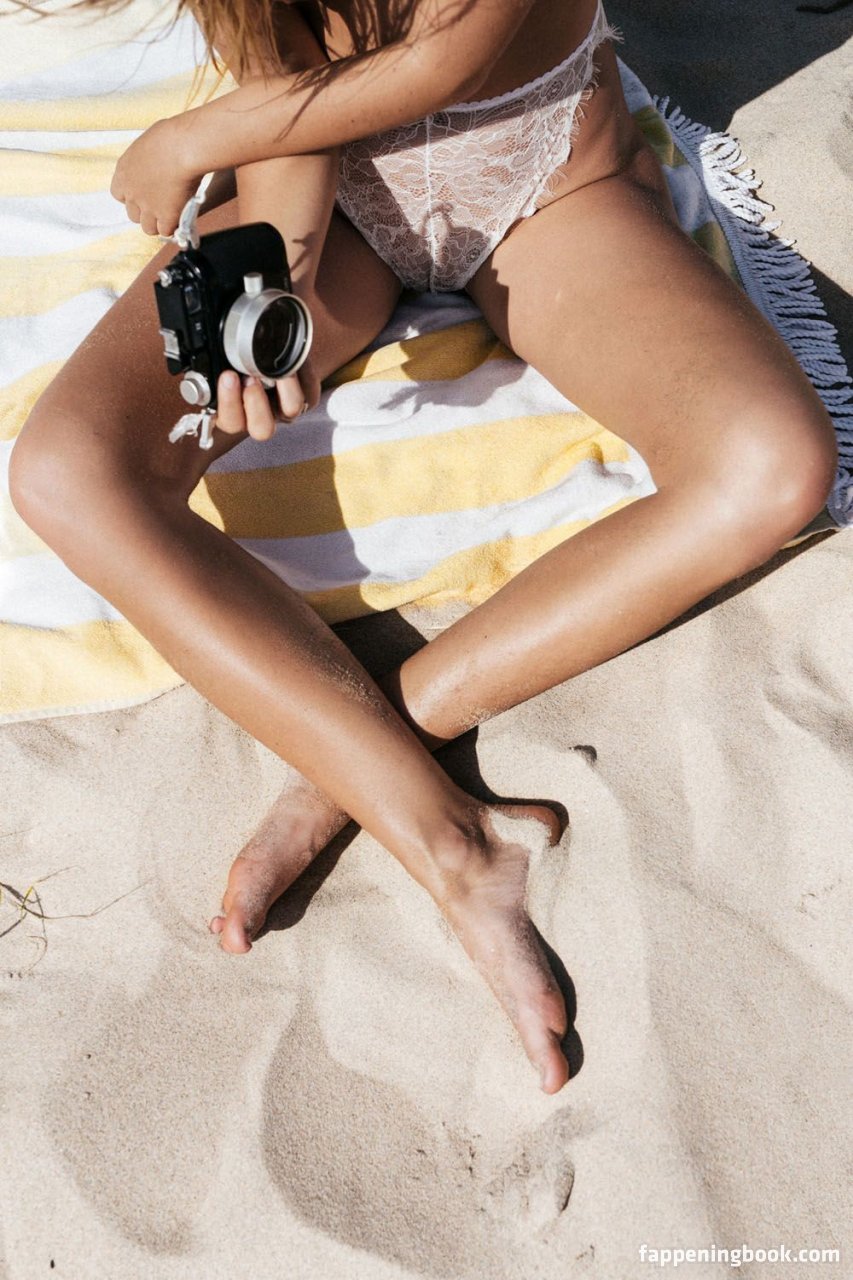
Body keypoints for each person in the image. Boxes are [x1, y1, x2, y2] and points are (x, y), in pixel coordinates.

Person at [8, 0, 838, 1094]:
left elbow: (444, 58)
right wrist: (279, 271)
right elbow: (281, 59)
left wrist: (196, 136)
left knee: (770, 467)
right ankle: (447, 840)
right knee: (67, 470)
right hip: (338, 199)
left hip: (546, 186)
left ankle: (373, 742)